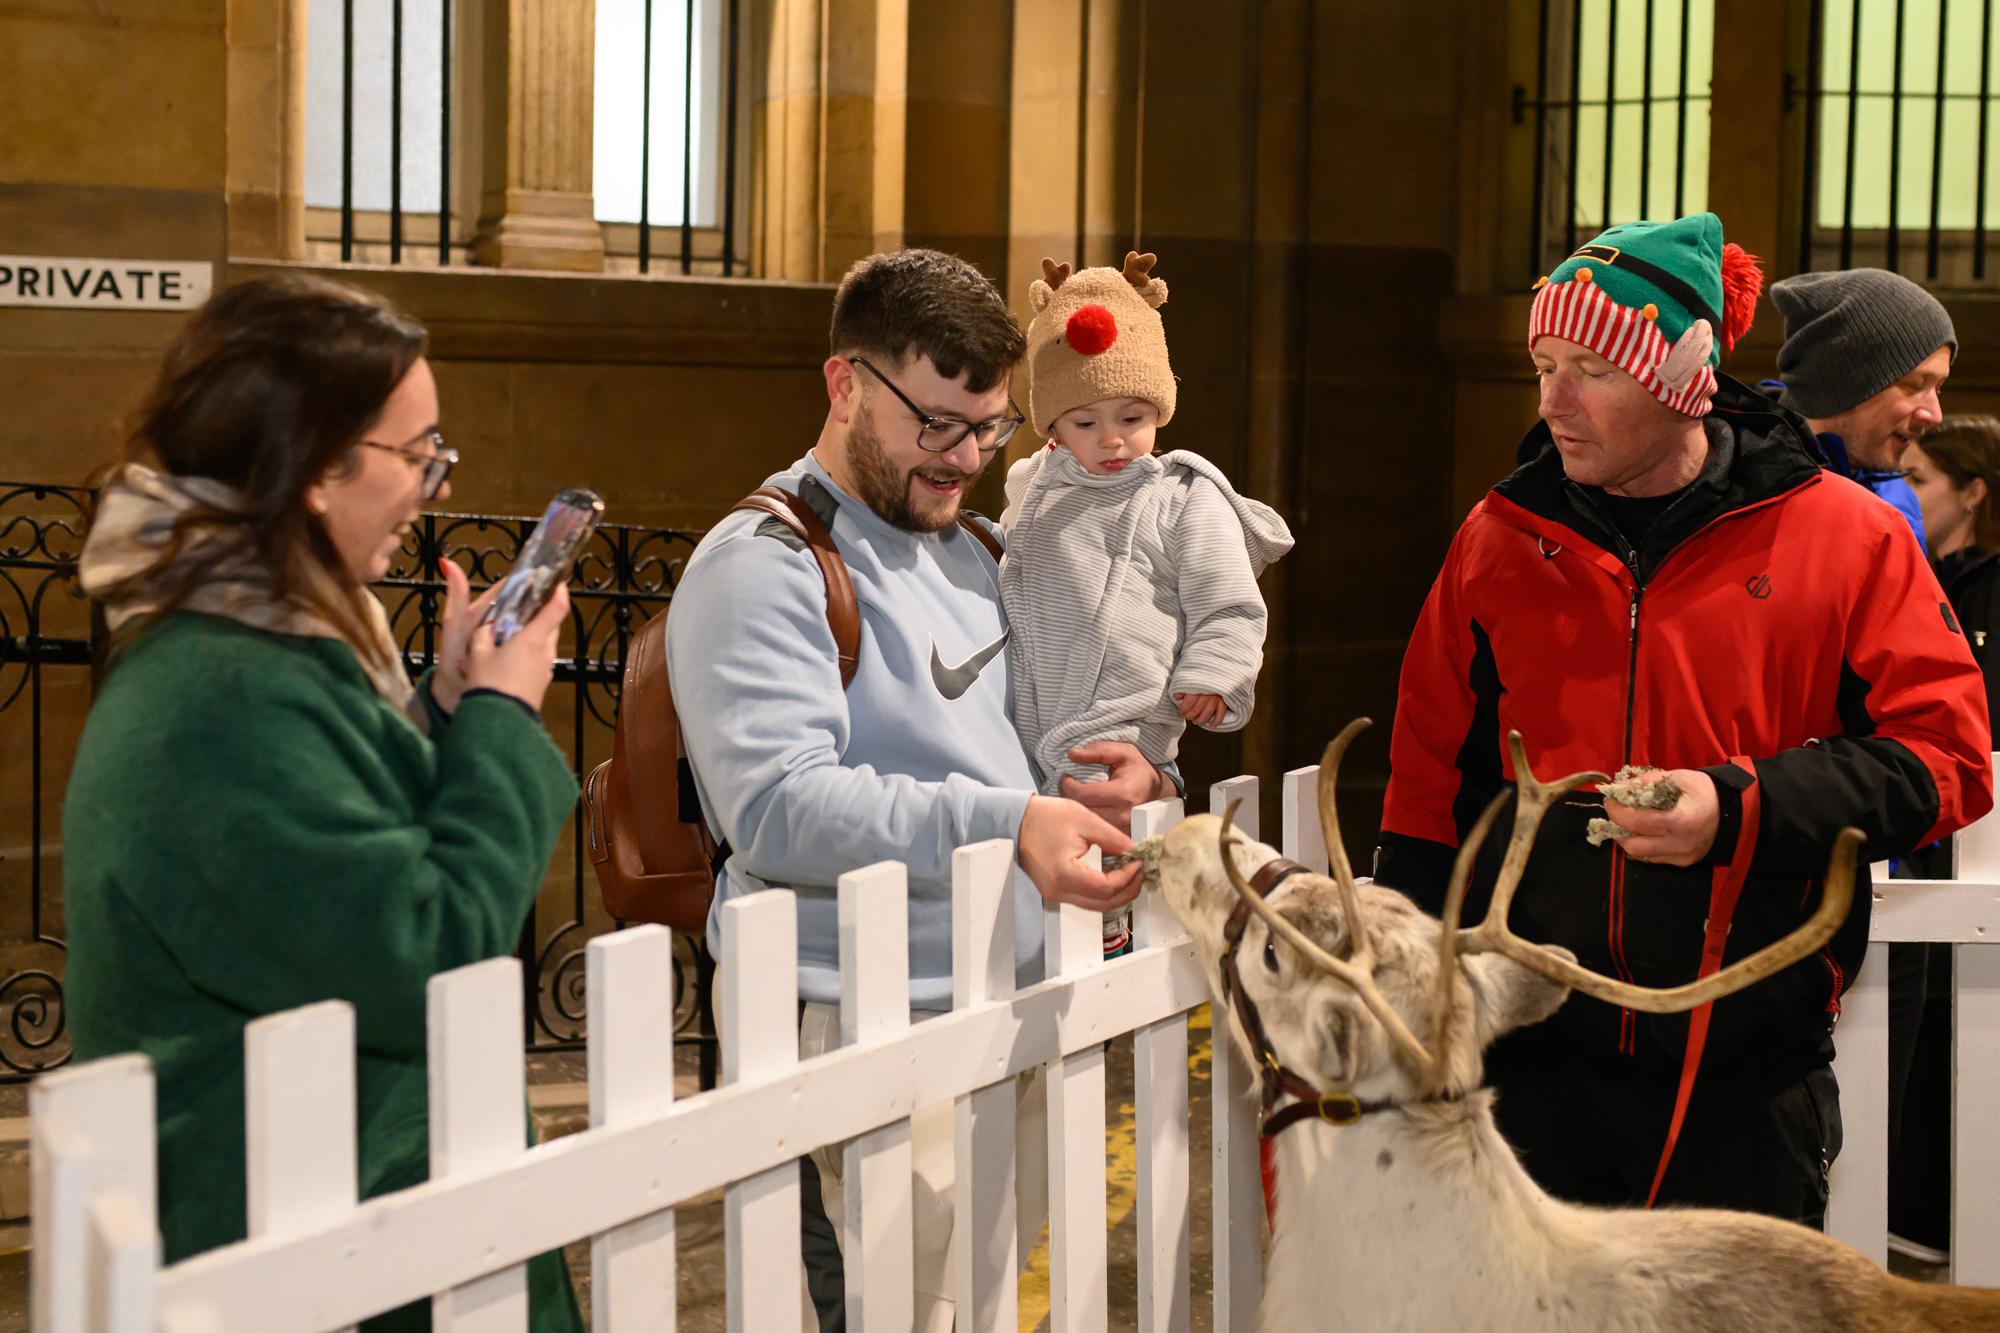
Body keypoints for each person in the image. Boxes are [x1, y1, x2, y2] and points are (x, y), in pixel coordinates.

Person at [1374, 213, 1992, 1228]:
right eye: (1540, 365)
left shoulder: (1850, 538)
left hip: (1744, 1076)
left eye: (1589, 369)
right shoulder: (1496, 538)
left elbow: (1945, 762)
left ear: (1679, 380)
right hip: (1525, 1064)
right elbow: (1428, 790)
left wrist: (1738, 805)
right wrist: (1412, 991)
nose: (1551, 403)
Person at [665, 248, 1172, 1331]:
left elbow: (1025, 751)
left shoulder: (975, 548)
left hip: (1002, 1007)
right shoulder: (762, 561)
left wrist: (1116, 773)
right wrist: (1011, 821)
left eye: (988, 429)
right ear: (843, 384)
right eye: (934, 424)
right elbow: (776, 808)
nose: (964, 458)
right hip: (850, 1028)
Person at [63, 274, 582, 1331]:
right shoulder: (219, 690)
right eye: (419, 453)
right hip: (296, 1251)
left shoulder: (265, 639)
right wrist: (498, 720)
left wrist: (439, 704)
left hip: (352, 1217)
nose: (437, 485)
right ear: (313, 462)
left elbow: (335, 872)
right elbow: (423, 951)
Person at [1000, 252, 1292, 955]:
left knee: (1103, 827)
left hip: (1125, 719)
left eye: (1132, 416)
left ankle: (1109, 927)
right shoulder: (1033, 498)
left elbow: (1228, 602)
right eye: (1084, 422)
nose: (1112, 439)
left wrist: (1215, 674)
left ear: (1160, 408)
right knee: (1031, 865)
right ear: (1050, 429)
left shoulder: (1182, 499)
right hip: (1030, 718)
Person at [1887, 415, 2000, 1263]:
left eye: (1920, 478)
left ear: (1973, 492)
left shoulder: (1986, 591)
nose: (1903, 493)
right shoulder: (1932, 579)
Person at [1765, 266, 1956, 547]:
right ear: (1844, 383)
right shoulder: (1741, 485)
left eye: (1938, 387)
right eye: (1915, 385)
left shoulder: (1898, 503)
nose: (1935, 415)